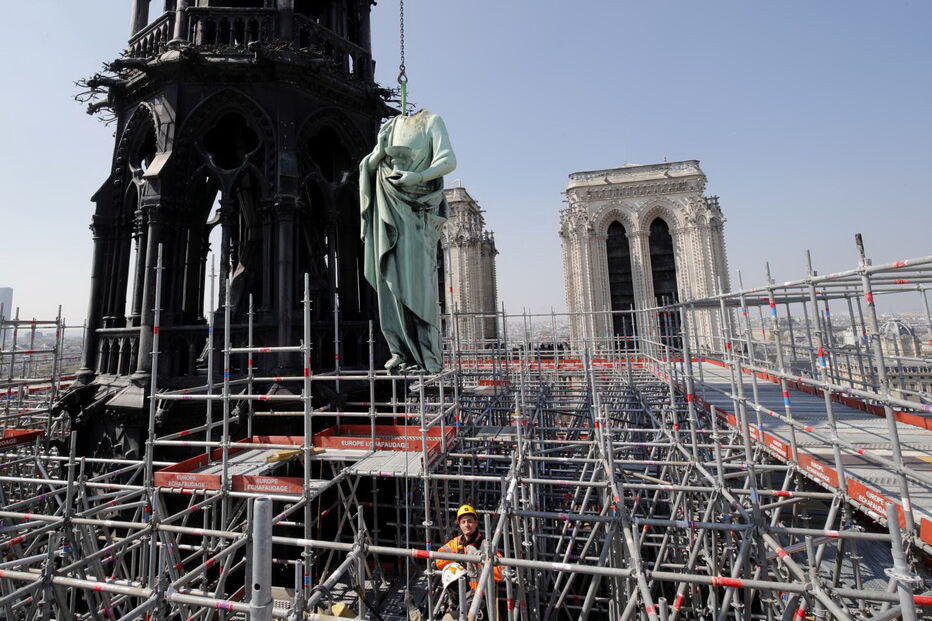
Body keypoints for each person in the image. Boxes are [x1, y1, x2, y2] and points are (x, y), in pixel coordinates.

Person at [359, 109, 457, 374]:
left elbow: (448, 160)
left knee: (418, 286)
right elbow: (367, 167)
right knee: (389, 281)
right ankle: (399, 350)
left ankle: (427, 354)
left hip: (416, 212)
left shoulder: (431, 120)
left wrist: (420, 177)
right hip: (388, 206)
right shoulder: (389, 126)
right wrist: (379, 152)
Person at [436, 505, 503, 590]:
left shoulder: (486, 545)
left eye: (470, 521)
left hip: (481, 593)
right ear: (459, 525)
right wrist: (461, 562)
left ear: (476, 523)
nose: (466, 525)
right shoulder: (456, 542)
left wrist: (479, 560)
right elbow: (438, 559)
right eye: (463, 522)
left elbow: (501, 571)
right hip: (462, 591)